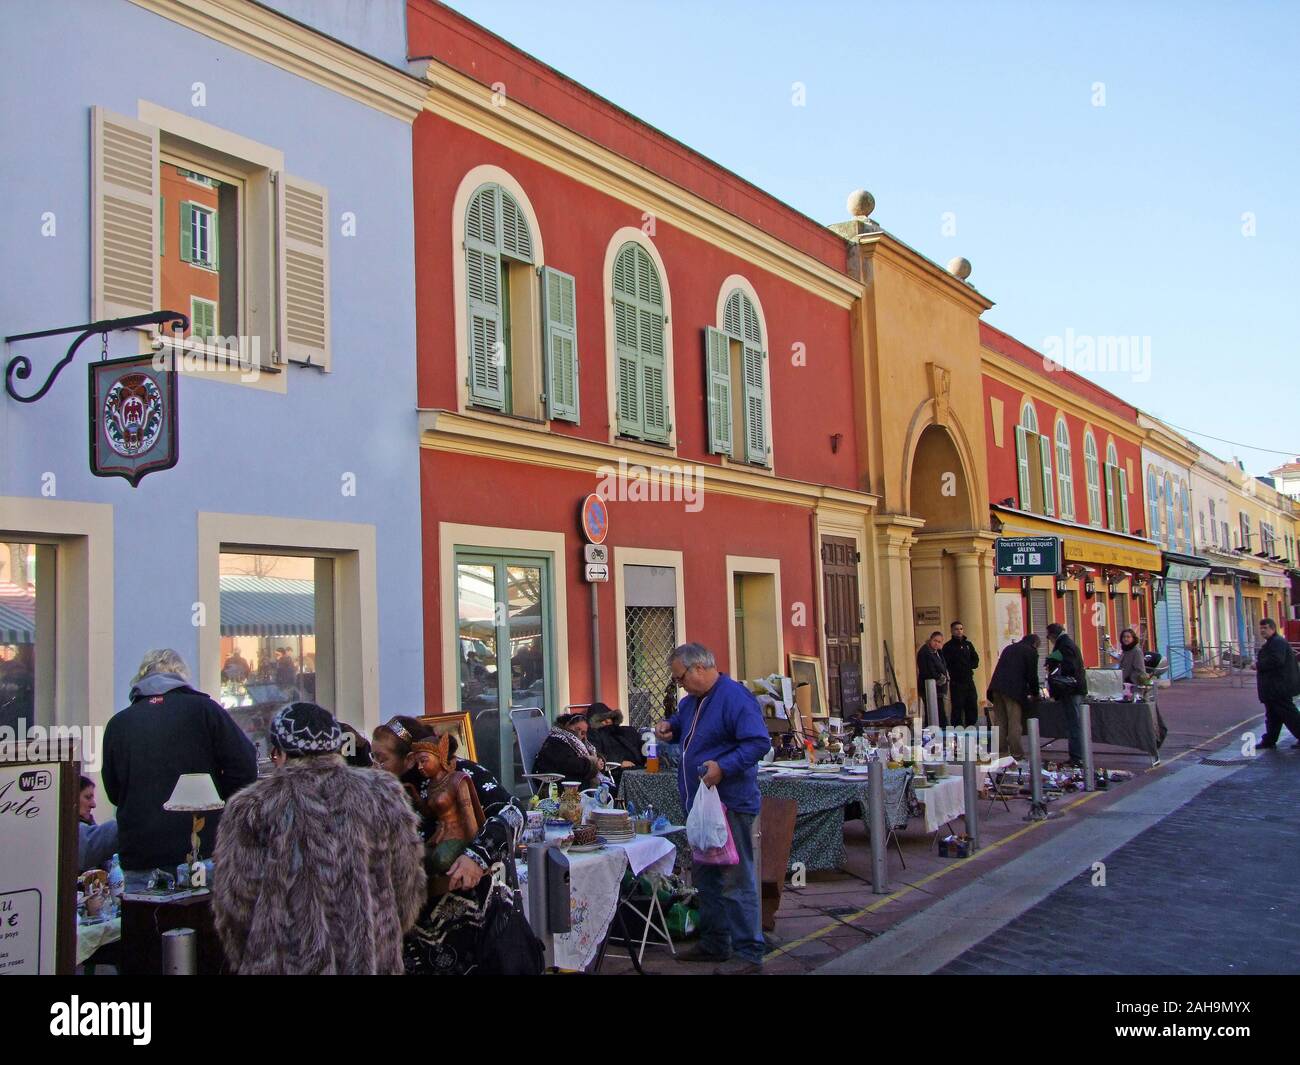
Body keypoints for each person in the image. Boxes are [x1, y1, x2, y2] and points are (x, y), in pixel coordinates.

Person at [213, 702, 425, 974]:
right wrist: (381, 934)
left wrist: (253, 956)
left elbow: (235, 906)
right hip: (370, 962)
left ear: (277, 754)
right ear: (337, 748)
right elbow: (407, 884)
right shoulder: (383, 793)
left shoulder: (252, 806)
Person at [372, 716, 531, 975]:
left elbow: (513, 813)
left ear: (409, 758)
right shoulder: (382, 789)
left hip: (466, 915)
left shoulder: (460, 773)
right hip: (407, 926)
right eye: (373, 757)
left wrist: (476, 857)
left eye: (382, 758)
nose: (375, 766)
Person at [654, 642, 769, 975]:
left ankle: (748, 952)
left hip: (730, 804)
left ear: (699, 668)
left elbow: (758, 742)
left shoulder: (735, 698)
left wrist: (724, 767)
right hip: (701, 806)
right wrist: (670, 728)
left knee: (735, 877)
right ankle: (715, 942)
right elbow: (685, 723)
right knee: (706, 876)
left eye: (680, 678)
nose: (679, 685)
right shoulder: (693, 701)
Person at [102, 649, 257, 885]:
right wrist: (217, 803)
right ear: (181, 677)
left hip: (141, 855)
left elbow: (114, 791)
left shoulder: (119, 724)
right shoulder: (205, 710)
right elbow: (245, 766)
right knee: (201, 919)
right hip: (199, 850)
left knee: (143, 920)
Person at [987, 634, 1040, 759]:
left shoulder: (1009, 648)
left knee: (999, 721)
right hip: (1013, 691)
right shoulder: (1030, 651)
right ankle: (1016, 753)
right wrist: (1035, 693)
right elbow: (1032, 676)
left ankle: (1001, 751)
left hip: (996, 687)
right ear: (1035, 644)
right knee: (1014, 721)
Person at [1046, 622, 1088, 766]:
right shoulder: (1067, 643)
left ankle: (1077, 756)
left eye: (1048, 636)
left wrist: (1054, 661)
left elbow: (1070, 667)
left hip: (1071, 691)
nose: (1048, 639)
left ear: (1052, 635)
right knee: (1074, 723)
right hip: (1074, 689)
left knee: (1074, 724)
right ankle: (1077, 755)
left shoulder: (1064, 645)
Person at [1255, 618, 1300, 750]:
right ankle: (1269, 740)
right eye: (1261, 628)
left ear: (1273, 629)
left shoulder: (1277, 643)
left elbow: (1276, 660)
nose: (1262, 630)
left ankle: (1270, 739)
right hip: (1274, 687)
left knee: (1289, 714)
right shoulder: (1273, 642)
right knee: (1273, 715)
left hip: (1279, 687)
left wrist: (1257, 665)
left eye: (1265, 628)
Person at [532, 713, 604, 789]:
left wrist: (600, 762)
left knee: (606, 787)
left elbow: (590, 756)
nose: (579, 734)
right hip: (553, 783)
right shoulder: (556, 740)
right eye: (577, 729)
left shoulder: (580, 743)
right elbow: (568, 763)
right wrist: (592, 764)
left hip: (568, 779)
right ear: (567, 725)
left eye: (583, 733)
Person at [588, 703, 646, 786]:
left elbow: (643, 746)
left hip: (641, 768)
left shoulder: (628, 731)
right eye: (602, 719)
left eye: (609, 717)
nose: (608, 721)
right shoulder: (594, 735)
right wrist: (619, 763)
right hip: (618, 772)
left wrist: (648, 758)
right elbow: (597, 755)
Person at [942, 621, 981, 728]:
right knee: (957, 705)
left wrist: (969, 665)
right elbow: (946, 662)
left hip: (968, 679)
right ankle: (957, 727)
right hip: (956, 681)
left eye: (961, 629)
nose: (959, 631)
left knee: (972, 702)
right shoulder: (948, 647)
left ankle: (971, 725)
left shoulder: (968, 645)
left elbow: (975, 659)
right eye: (956, 629)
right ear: (952, 631)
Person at [77, 776, 118, 873]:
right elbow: (89, 847)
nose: (93, 804)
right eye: (87, 797)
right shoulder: (65, 831)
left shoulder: (90, 824)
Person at [916, 631, 950, 725]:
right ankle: (935, 732)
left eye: (939, 642)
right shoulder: (924, 652)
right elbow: (926, 670)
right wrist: (939, 677)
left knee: (940, 712)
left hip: (939, 688)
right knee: (932, 712)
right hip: (929, 687)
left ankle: (942, 731)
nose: (937, 643)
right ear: (930, 640)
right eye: (935, 640)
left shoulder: (938, 652)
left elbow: (943, 665)